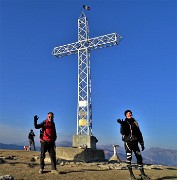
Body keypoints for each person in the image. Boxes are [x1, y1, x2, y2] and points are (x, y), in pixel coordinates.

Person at [117, 110, 150, 180]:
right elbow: (122, 132)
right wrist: (122, 125)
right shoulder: (125, 122)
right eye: (128, 113)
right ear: (126, 115)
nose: (130, 114)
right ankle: (131, 175)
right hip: (128, 142)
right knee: (129, 158)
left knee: (139, 157)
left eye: (130, 113)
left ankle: (142, 174)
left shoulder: (135, 123)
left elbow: (139, 133)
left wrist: (142, 143)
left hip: (135, 142)